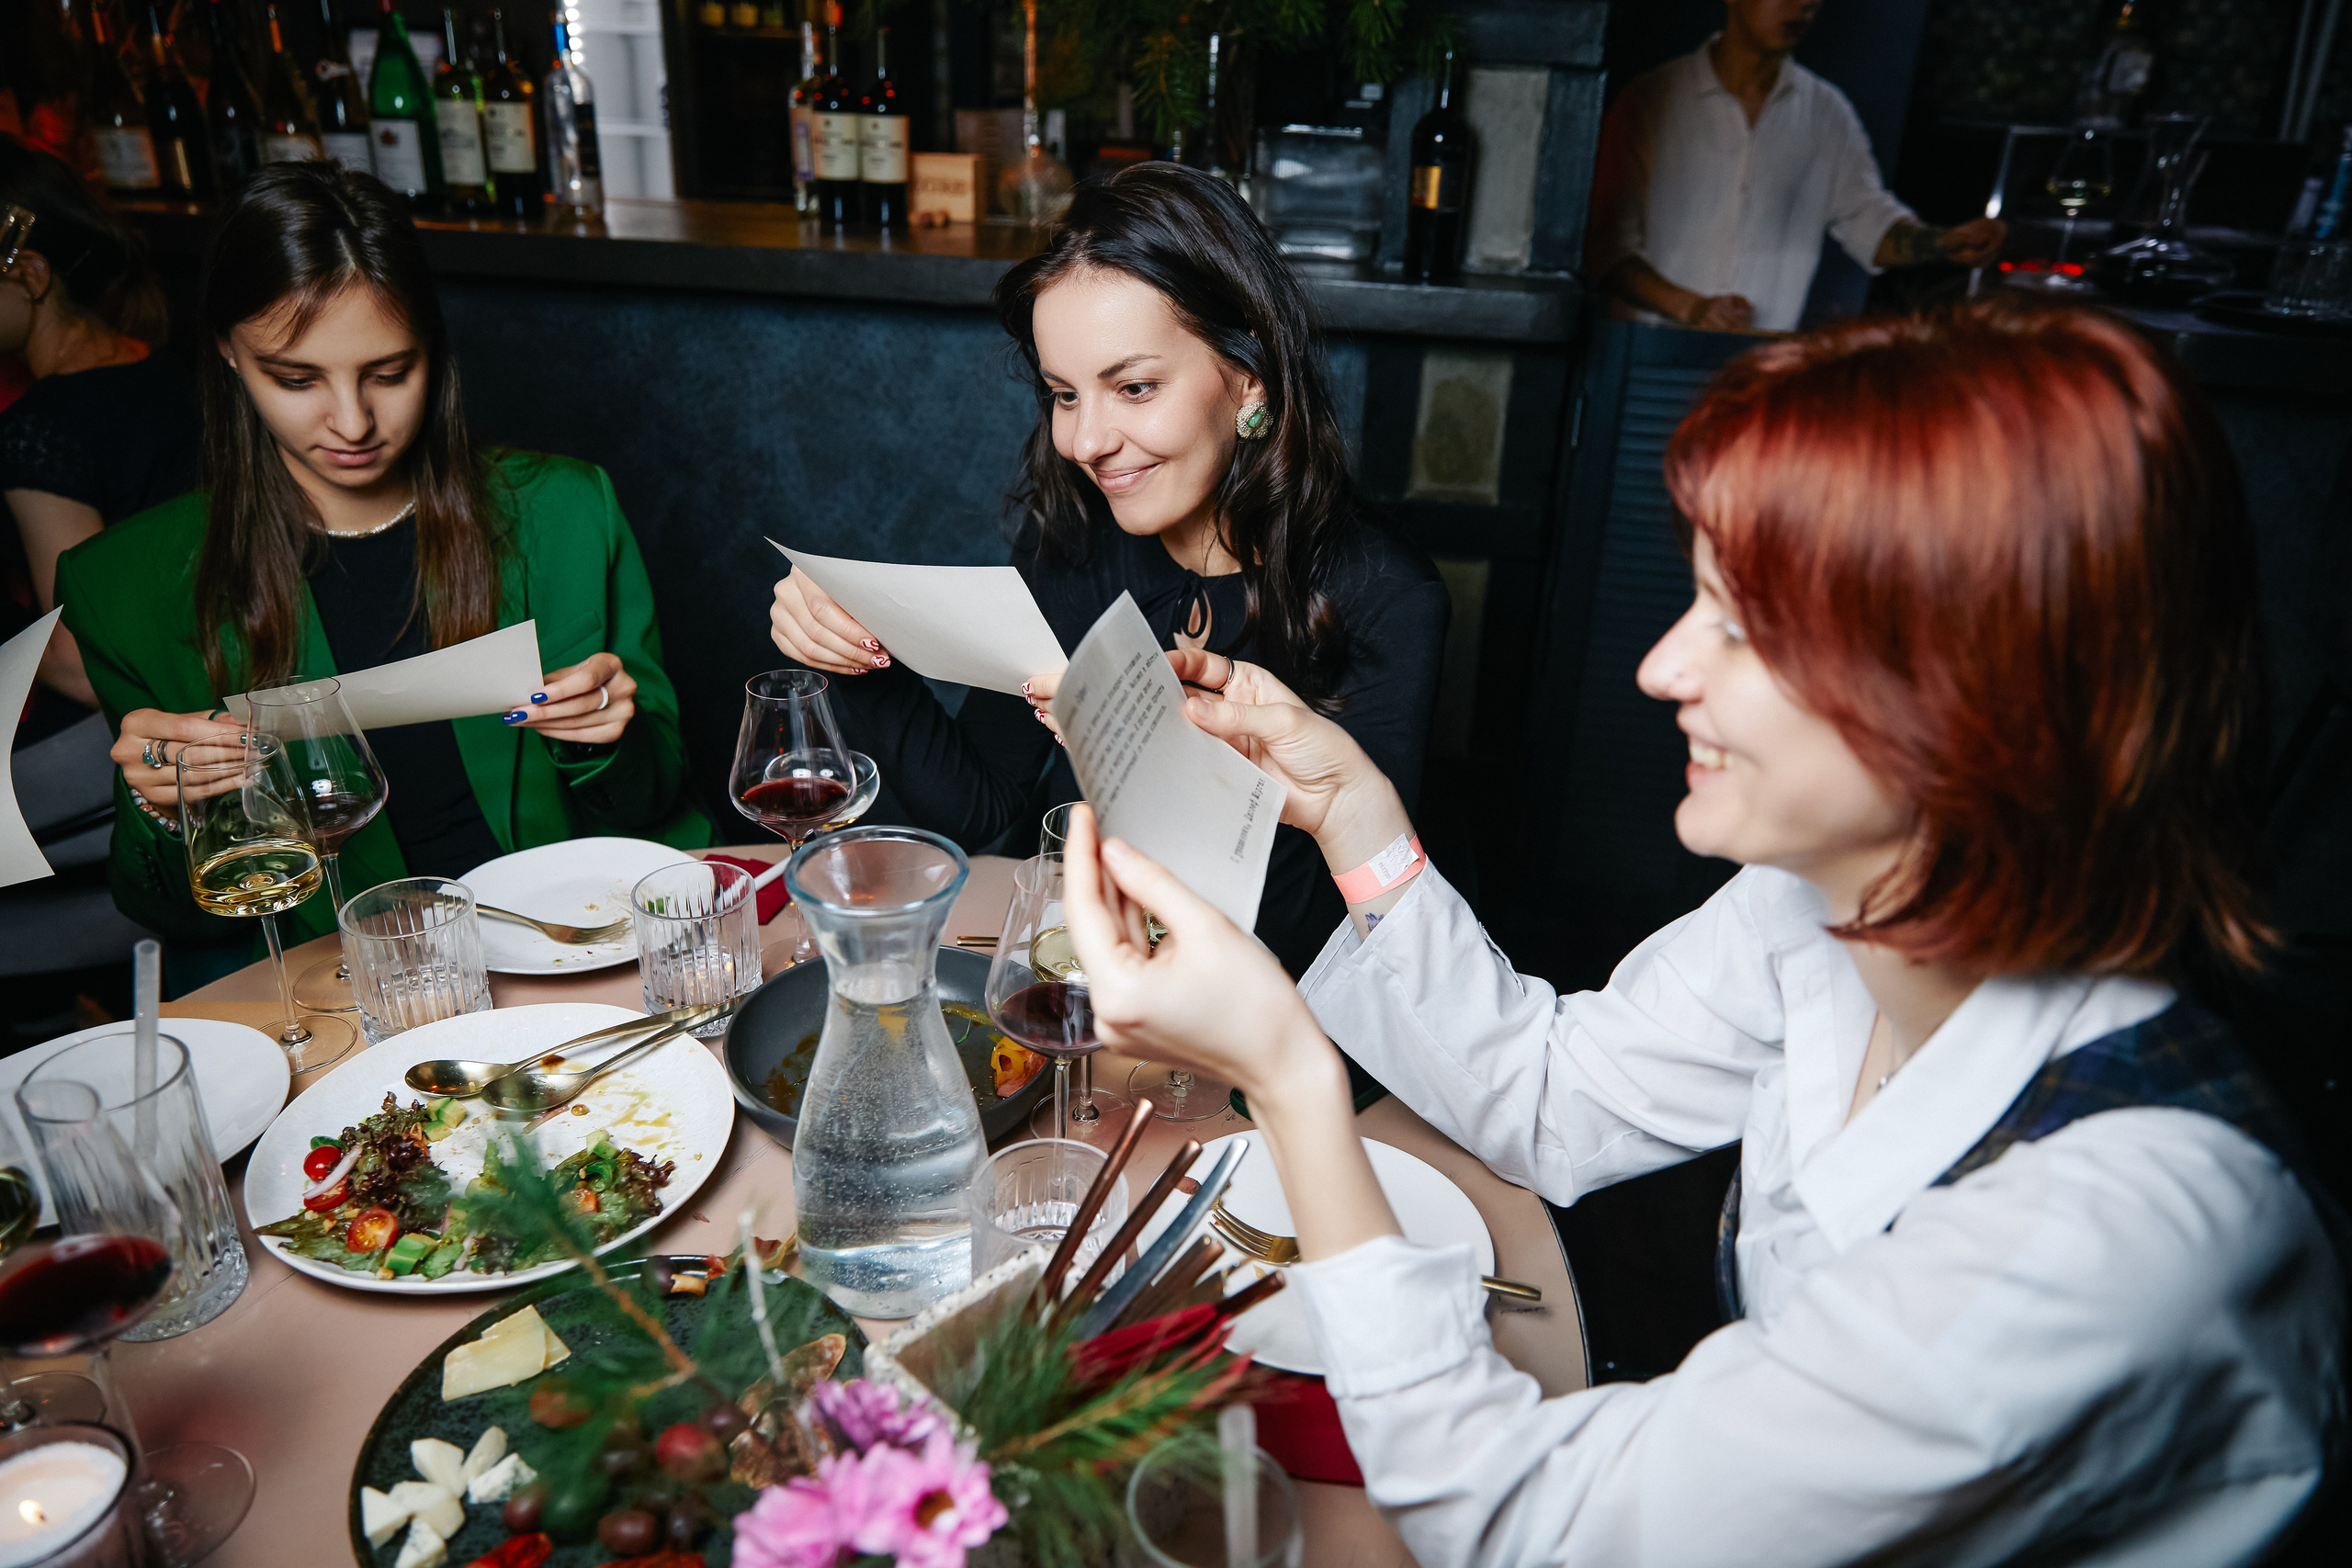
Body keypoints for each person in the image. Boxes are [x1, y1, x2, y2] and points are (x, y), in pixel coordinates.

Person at [1058, 300, 2344, 1562]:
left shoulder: (2113, 1234)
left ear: (1981, 697)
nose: (1664, 667)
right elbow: (1549, 1097)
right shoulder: (1822, 905)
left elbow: (1527, 1524)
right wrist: (1356, 815)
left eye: (1744, 624)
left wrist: (1292, 1075)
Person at [765, 161, 1448, 978]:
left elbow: (1362, 936)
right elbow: (981, 804)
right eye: (1065, 394)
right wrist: (851, 647)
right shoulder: (1078, 536)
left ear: (1248, 381)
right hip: (1095, 979)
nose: (1086, 442)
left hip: (1273, 1013)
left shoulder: (1387, 592)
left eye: (1134, 387)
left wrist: (1158, 757)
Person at [57, 163, 707, 956]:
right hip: (337, 976)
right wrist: (164, 809)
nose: (354, 421)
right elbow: (174, 917)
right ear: (228, 352)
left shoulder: (567, 512)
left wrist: (602, 740)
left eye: (390, 373)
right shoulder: (120, 585)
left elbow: (655, 802)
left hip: (567, 940)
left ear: (432, 346)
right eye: (296, 379)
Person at [1588, 0, 2005, 333]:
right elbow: (1603, 244)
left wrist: (1943, 242)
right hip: (1645, 353)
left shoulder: (1826, 113)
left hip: (1758, 362)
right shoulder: (1650, 100)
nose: (1803, 4)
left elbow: (1870, 224)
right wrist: (1692, 308)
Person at [0, 136, 196, 720]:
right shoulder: (163, 363)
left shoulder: (40, 430)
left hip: (138, 728)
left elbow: (80, 664)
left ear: (30, 275)